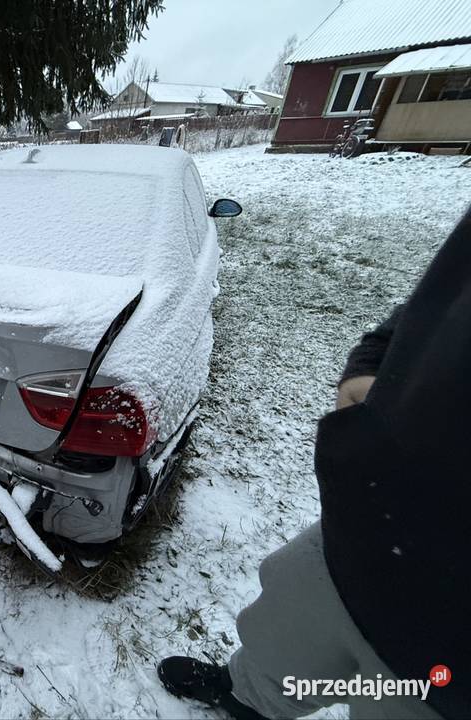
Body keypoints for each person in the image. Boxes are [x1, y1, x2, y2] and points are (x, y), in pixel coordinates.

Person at [157, 207, 471, 719]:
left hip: (451, 643)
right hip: (373, 516)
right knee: (287, 624)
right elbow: (438, 298)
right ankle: (245, 698)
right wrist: (373, 361)